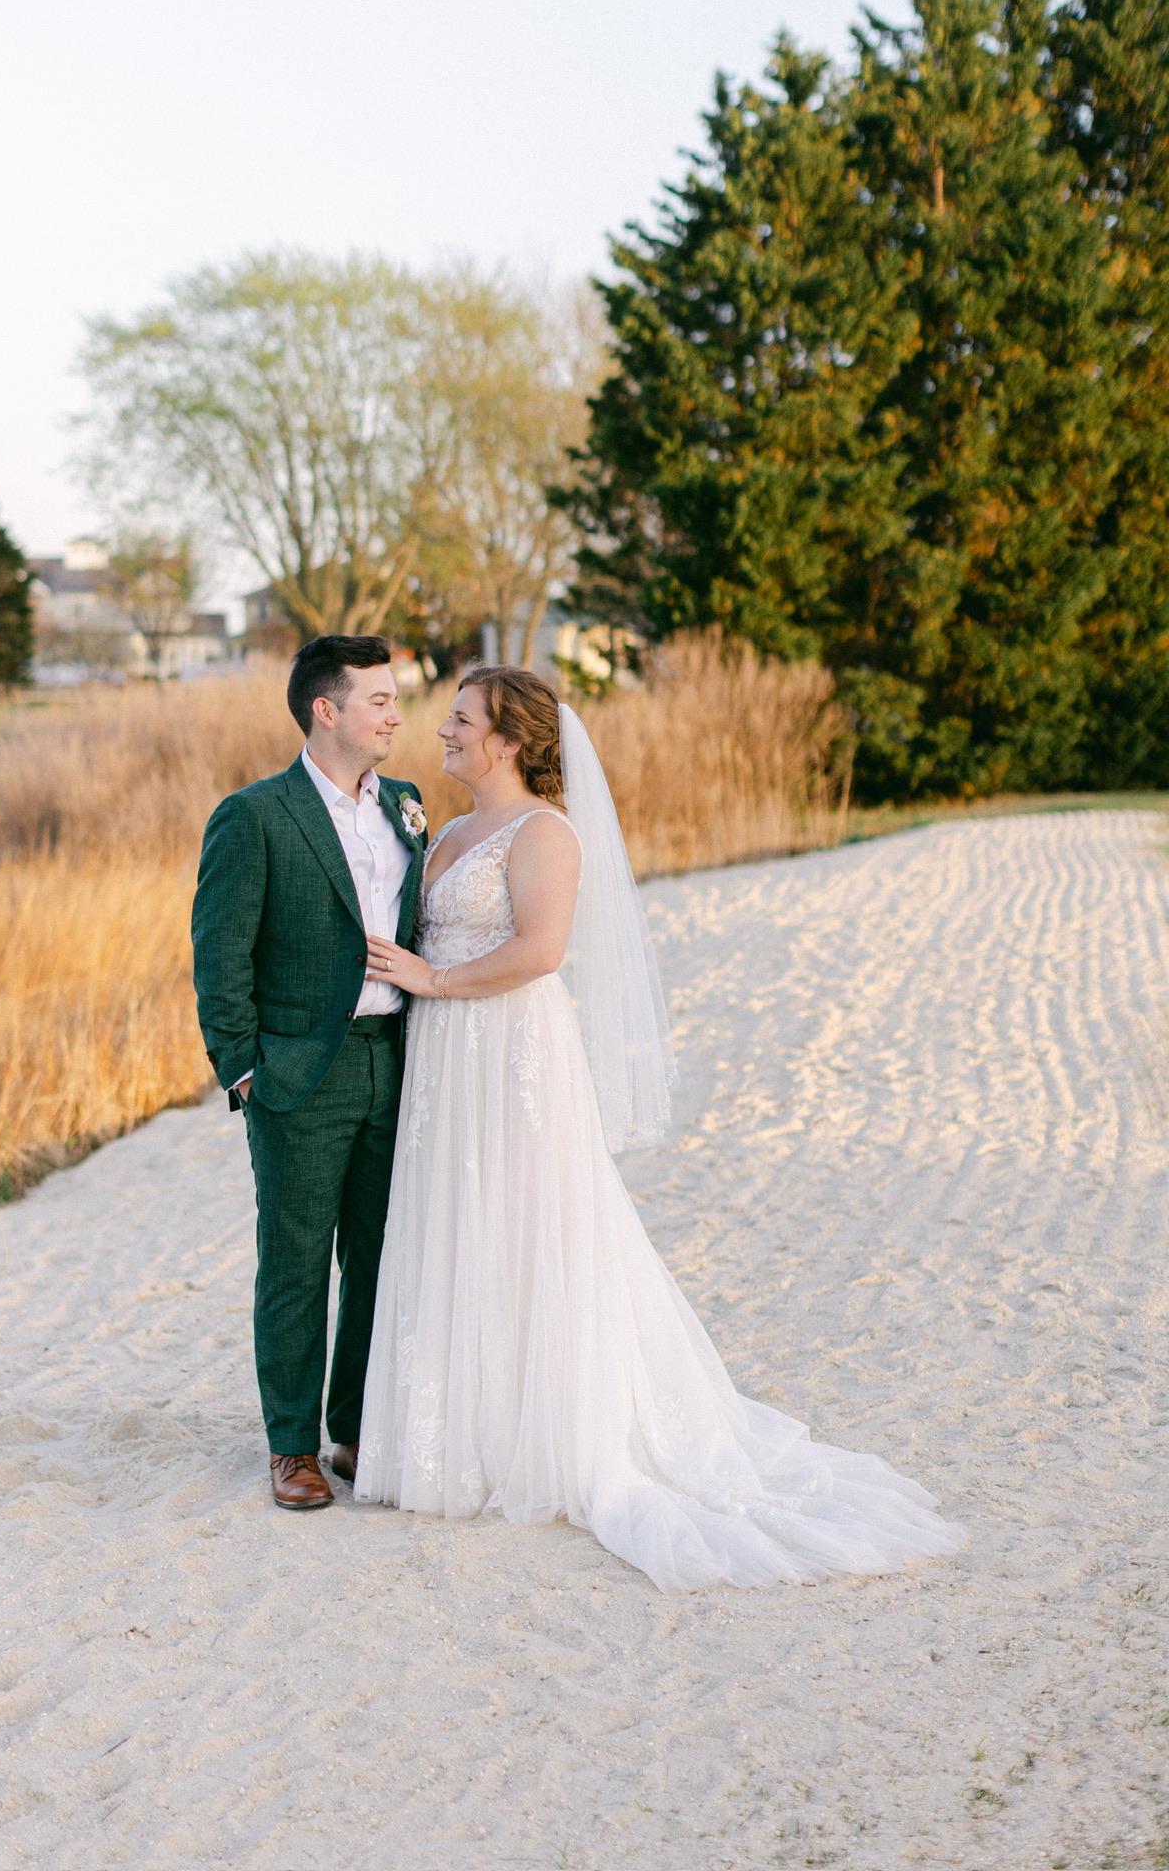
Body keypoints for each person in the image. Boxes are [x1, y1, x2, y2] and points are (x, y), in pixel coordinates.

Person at [354, 665, 965, 1590]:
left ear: (508, 741)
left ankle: (548, 1435)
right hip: (447, 1059)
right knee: (459, 1223)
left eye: (461, 719)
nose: (442, 730)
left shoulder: (544, 833)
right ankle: (461, 1436)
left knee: (525, 1226)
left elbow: (539, 952)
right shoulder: (447, 833)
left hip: (510, 1051)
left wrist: (432, 980)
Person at [191, 635, 428, 1511]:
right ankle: (291, 1447)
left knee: (378, 1257)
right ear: (326, 710)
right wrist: (244, 1070)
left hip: (394, 1061)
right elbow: (219, 955)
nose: (396, 716)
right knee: (294, 1264)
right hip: (298, 1075)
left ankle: (355, 1430)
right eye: (379, 701)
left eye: (395, 700)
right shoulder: (254, 815)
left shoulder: (406, 805)